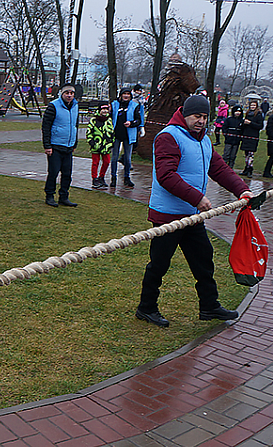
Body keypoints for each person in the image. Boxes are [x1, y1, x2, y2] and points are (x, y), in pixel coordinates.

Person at [135, 95, 252, 328]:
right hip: (168, 215)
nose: (201, 121)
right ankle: (146, 308)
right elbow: (166, 176)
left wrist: (242, 191)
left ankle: (209, 305)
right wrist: (197, 198)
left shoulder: (204, 140)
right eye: (197, 116)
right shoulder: (169, 137)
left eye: (205, 116)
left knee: (203, 260)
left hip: (192, 216)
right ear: (185, 114)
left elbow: (219, 169)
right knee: (159, 264)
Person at [42, 83, 79, 207]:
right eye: (67, 93)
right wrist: (47, 145)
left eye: (71, 93)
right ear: (62, 94)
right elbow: (46, 126)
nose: (69, 95)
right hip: (55, 145)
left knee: (67, 174)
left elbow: (75, 125)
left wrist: (75, 142)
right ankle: (49, 195)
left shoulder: (75, 106)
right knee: (53, 172)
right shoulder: (53, 106)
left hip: (68, 146)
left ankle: (64, 196)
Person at [110, 88, 140, 188]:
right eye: (124, 94)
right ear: (121, 95)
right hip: (116, 135)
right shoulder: (114, 105)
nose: (126, 96)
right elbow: (109, 117)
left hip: (128, 135)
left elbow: (138, 120)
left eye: (128, 94)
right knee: (114, 158)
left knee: (127, 158)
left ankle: (127, 178)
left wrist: (131, 123)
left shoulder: (134, 106)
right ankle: (113, 178)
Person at [86, 101, 115, 189]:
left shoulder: (109, 120)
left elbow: (112, 132)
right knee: (95, 163)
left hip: (106, 146)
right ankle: (94, 179)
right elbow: (89, 132)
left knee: (106, 162)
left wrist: (111, 142)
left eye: (106, 109)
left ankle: (101, 177)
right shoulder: (94, 120)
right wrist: (92, 142)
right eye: (103, 109)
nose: (105, 111)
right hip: (96, 145)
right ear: (99, 110)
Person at [240, 100, 263, 177]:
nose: (252, 107)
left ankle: (250, 169)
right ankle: (246, 168)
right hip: (246, 135)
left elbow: (260, 126)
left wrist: (250, 123)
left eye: (254, 105)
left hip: (253, 136)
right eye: (251, 105)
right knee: (246, 154)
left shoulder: (258, 115)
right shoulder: (247, 114)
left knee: (251, 154)